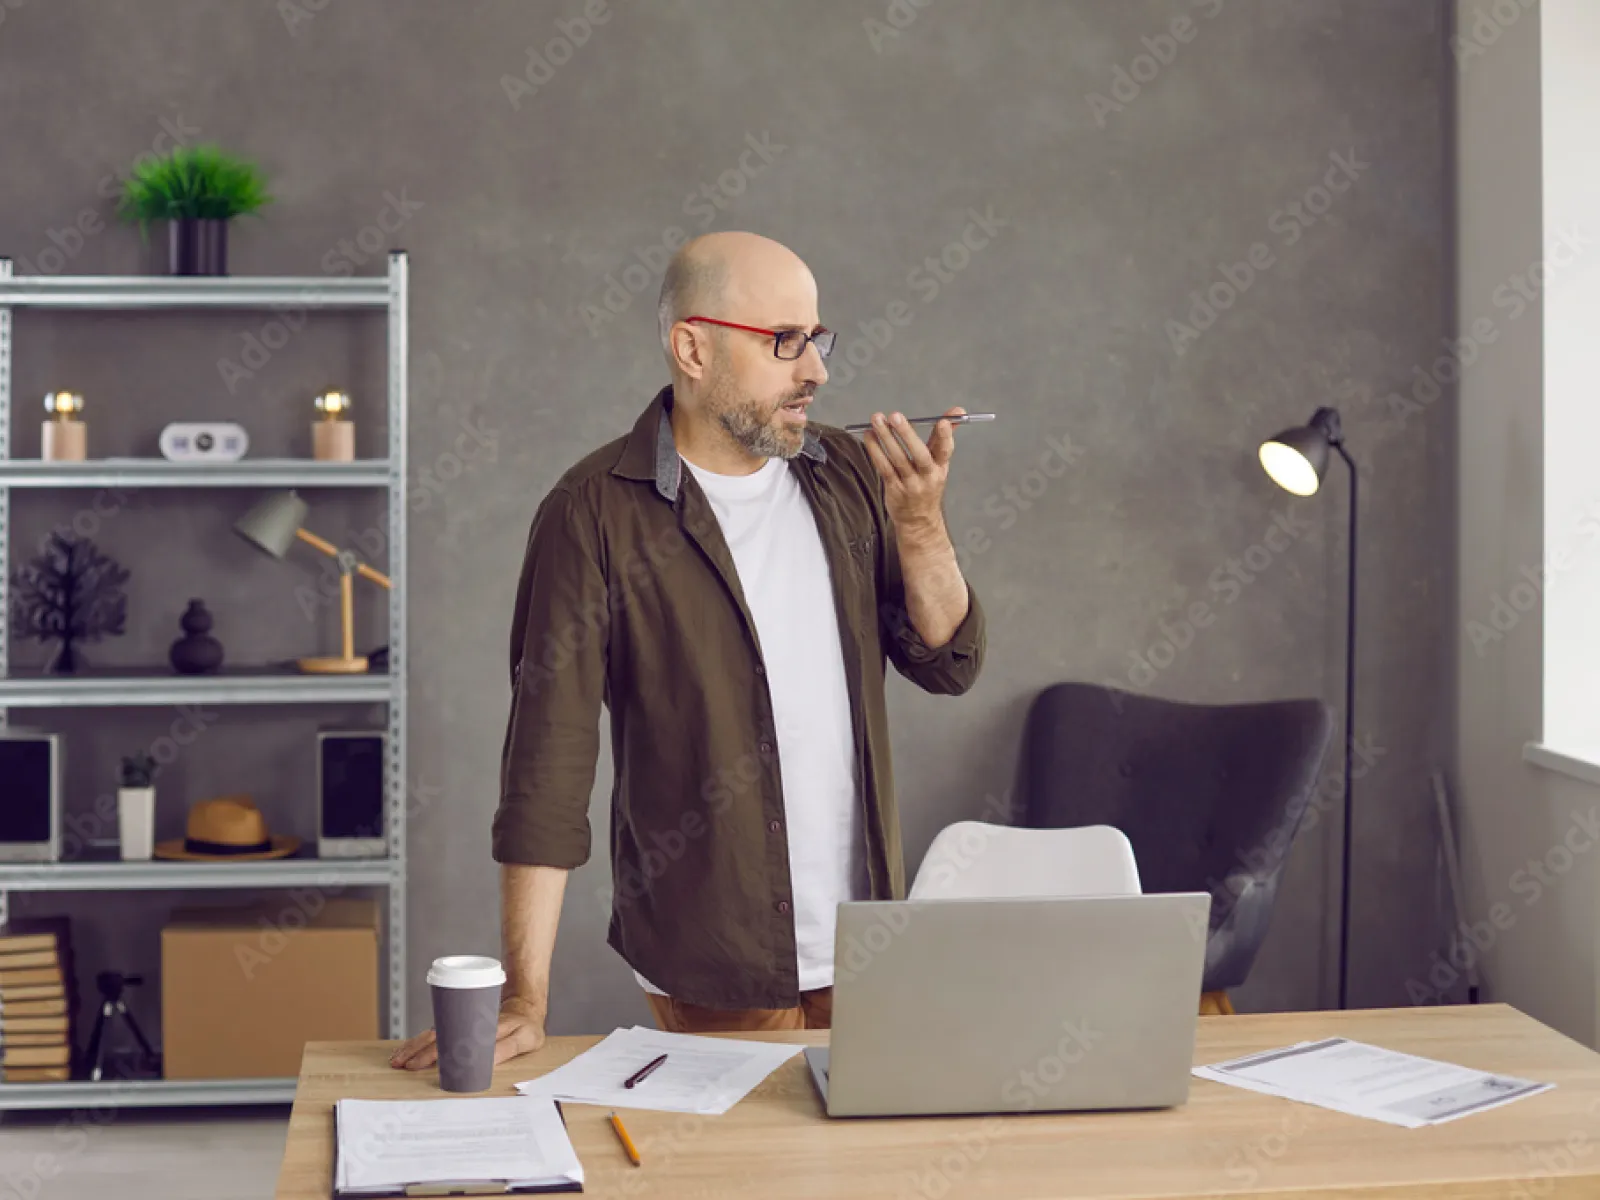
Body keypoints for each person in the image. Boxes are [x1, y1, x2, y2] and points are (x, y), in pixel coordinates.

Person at [392, 231, 984, 1071]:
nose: (815, 371)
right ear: (693, 348)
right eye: (785, 342)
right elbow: (546, 768)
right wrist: (526, 996)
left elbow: (947, 661)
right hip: (717, 955)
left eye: (817, 340)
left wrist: (921, 527)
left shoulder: (848, 473)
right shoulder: (592, 513)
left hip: (867, 940)